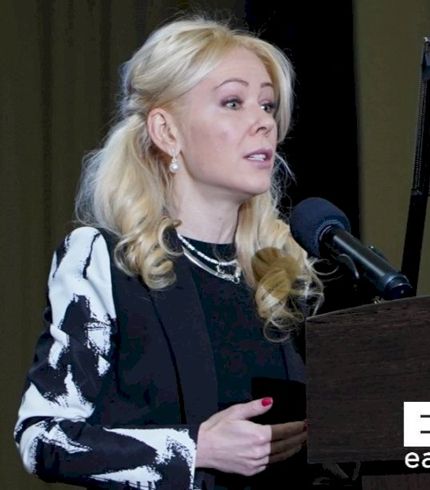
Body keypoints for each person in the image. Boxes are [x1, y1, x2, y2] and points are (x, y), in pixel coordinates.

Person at [14, 15, 326, 490]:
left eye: (267, 105)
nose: (264, 121)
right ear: (167, 131)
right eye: (233, 102)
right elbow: (42, 438)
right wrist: (194, 449)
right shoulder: (106, 261)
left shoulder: (283, 273)